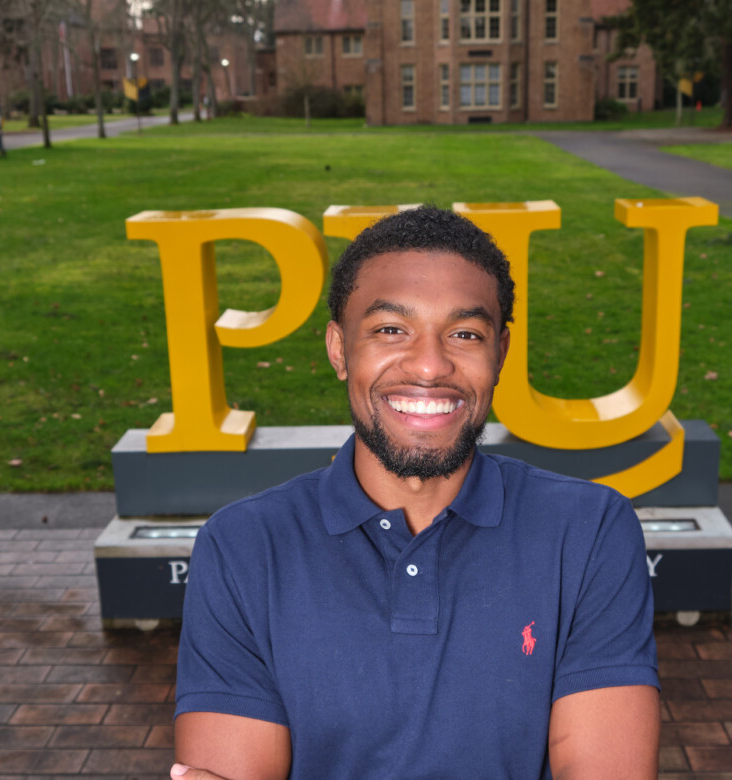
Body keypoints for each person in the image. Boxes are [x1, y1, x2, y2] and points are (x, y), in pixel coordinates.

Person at [171, 206, 659, 780]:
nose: (429, 366)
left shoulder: (589, 531)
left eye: (464, 334)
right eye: (390, 330)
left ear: (499, 354)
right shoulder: (243, 547)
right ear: (338, 349)